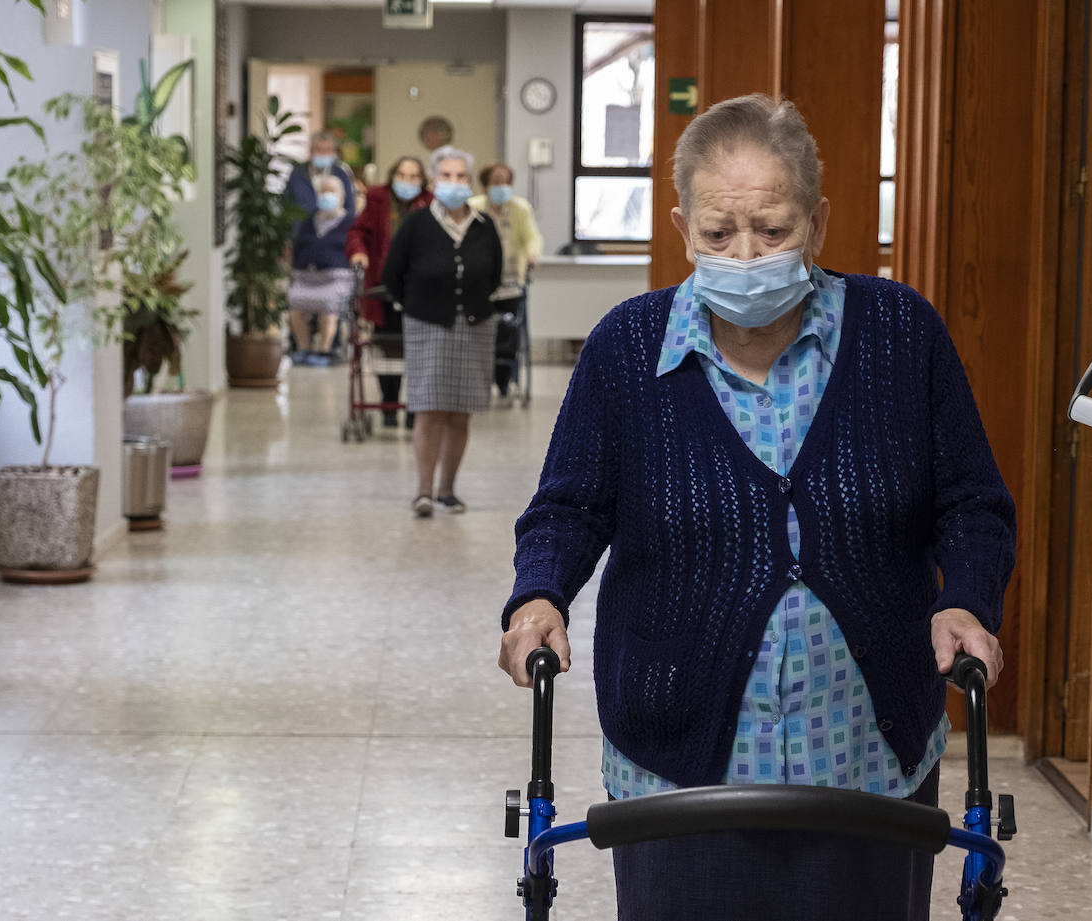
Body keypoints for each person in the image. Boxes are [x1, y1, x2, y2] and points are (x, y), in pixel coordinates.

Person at [497, 94, 1017, 921]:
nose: (745, 253)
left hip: (867, 760)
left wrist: (967, 600)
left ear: (817, 219)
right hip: (678, 761)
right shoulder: (626, 348)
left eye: (773, 230)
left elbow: (974, 503)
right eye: (718, 232)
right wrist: (538, 595)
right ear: (681, 226)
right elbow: (567, 507)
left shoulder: (899, 334)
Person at [382, 145, 503, 518]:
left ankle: (448, 490)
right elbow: (392, 277)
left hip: (475, 325)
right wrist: (421, 307)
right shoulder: (416, 224)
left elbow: (494, 276)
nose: (454, 183)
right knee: (429, 410)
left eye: (461, 176)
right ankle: (423, 491)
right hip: (427, 325)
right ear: (434, 181)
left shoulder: (484, 227)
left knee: (460, 412)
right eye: (447, 176)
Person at [347, 156, 434, 426]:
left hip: (421, 291)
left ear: (421, 181)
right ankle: (388, 405)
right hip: (383, 287)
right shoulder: (377, 198)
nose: (407, 182)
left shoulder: (431, 202)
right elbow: (357, 232)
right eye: (402, 175)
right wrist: (359, 252)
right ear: (392, 175)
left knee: (417, 350)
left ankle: (413, 410)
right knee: (387, 347)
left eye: (413, 177)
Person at [469, 162, 543, 397]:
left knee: (508, 334)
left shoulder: (520, 208)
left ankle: (503, 380)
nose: (502, 186)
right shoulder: (473, 207)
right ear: (486, 184)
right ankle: (480, 378)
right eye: (496, 182)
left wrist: (533, 254)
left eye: (506, 182)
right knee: (481, 331)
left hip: (511, 282)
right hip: (480, 284)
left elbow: (532, 236)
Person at [286, 131, 357, 362]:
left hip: (334, 267)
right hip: (304, 245)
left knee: (330, 304)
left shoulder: (340, 174)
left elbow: (351, 207)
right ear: (311, 151)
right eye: (320, 150)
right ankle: (302, 348)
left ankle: (329, 348)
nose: (324, 155)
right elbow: (286, 205)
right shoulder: (298, 174)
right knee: (298, 299)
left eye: (328, 151)